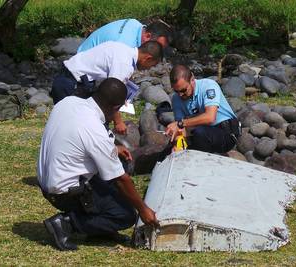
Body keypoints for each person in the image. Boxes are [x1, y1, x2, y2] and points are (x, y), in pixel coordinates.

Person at [37, 78, 159, 251]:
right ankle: (66, 223)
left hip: (48, 180)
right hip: (65, 192)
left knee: (120, 163)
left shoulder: (68, 102)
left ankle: (100, 229)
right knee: (124, 215)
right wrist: (143, 209)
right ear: (116, 108)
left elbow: (76, 140)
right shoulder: (94, 128)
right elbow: (121, 180)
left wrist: (114, 149)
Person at [51, 40, 163, 134]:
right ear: (148, 58)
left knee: (70, 124)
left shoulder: (122, 48)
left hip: (67, 77)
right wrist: (118, 122)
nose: (148, 69)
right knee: (72, 128)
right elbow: (112, 95)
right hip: (71, 84)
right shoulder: (124, 64)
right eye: (151, 65)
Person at [165, 64, 240, 154]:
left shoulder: (208, 86)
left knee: (199, 133)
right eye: (176, 91)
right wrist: (177, 145)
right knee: (169, 151)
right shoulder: (176, 99)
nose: (180, 94)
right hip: (203, 133)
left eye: (183, 90)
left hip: (226, 133)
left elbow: (210, 118)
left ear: (192, 80)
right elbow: (180, 129)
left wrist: (181, 123)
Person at [77, 19, 172, 53]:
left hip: (85, 51)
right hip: (82, 70)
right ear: (147, 36)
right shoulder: (124, 45)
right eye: (158, 47)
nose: (158, 52)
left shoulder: (135, 23)